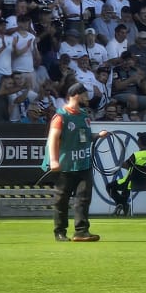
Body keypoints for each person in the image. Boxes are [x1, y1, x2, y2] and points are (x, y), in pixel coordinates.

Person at [44, 84, 99, 243]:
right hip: (66, 165)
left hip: (84, 163)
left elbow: (83, 136)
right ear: (75, 94)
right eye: (84, 94)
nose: (87, 97)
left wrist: (97, 136)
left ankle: (81, 231)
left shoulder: (83, 115)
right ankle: (59, 232)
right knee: (62, 199)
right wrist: (54, 160)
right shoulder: (61, 116)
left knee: (83, 198)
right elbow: (52, 138)